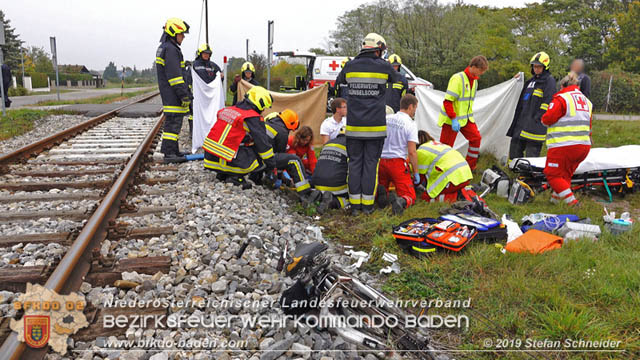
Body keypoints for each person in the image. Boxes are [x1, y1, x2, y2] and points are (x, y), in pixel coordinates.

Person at [334, 32, 400, 215]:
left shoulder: (350, 66)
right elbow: (398, 80)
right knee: (371, 165)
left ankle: (355, 207)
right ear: (378, 49)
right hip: (375, 129)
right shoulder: (384, 66)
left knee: (354, 164)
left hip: (354, 127)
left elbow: (338, 84)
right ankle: (368, 207)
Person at [203, 86, 275, 189]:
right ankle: (236, 177)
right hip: (230, 159)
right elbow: (263, 145)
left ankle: (223, 173)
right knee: (256, 150)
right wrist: (271, 166)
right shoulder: (253, 118)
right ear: (259, 104)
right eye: (263, 108)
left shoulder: (230, 109)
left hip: (210, 157)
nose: (263, 110)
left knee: (239, 141)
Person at [541, 71, 592, 206]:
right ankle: (554, 203)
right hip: (583, 146)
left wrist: (543, 118)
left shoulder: (562, 98)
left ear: (562, 85)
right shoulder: (587, 101)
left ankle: (573, 204)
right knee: (564, 176)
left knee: (552, 174)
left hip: (563, 145)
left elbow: (548, 118)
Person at [438, 55, 489, 170]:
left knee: (476, 139)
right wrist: (453, 119)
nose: (481, 74)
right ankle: (441, 170)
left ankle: (469, 168)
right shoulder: (458, 79)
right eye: (480, 71)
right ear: (474, 67)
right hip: (452, 120)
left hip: (466, 119)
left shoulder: (475, 82)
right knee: (445, 148)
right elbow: (448, 102)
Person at [506, 51, 556, 159]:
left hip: (535, 126)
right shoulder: (530, 82)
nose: (536, 69)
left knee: (531, 158)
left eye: (539, 67)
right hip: (521, 124)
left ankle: (528, 176)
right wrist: (516, 81)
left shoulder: (549, 81)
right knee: (514, 152)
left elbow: (548, 102)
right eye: (534, 66)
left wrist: (538, 117)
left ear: (545, 67)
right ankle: (516, 174)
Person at [263, 110, 320, 203]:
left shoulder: (272, 124)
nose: (305, 142)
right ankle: (305, 193)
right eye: (304, 140)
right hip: (285, 166)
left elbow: (312, 160)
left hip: (267, 159)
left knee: (303, 162)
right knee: (294, 159)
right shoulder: (287, 138)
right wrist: (286, 177)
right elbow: (283, 159)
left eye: (307, 141)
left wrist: (316, 176)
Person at [376, 94, 419, 215]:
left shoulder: (387, 118)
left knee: (383, 184)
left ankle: (382, 195)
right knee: (409, 195)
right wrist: (416, 172)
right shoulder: (410, 124)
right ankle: (401, 201)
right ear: (410, 107)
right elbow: (412, 152)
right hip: (397, 163)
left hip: (382, 161)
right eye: (415, 108)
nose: (414, 112)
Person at [156, 18, 192, 163]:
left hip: (169, 93)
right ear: (173, 33)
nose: (183, 37)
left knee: (173, 124)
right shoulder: (171, 49)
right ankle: (170, 154)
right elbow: (175, 77)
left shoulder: (166, 47)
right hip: (173, 95)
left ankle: (173, 151)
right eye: (181, 34)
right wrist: (184, 95)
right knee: (173, 124)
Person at [417, 132, 473, 203]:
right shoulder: (436, 144)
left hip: (453, 180)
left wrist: (412, 186)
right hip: (466, 174)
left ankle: (457, 196)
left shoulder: (421, 151)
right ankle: (465, 190)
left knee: (425, 197)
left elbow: (419, 177)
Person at [314, 128, 349, 214]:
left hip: (317, 183)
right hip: (335, 186)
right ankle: (333, 202)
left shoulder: (328, 143)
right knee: (352, 199)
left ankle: (318, 196)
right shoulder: (351, 145)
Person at [191, 43, 222, 139]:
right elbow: (190, 79)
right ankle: (194, 134)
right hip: (198, 96)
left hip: (210, 97)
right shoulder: (194, 65)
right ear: (200, 54)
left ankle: (210, 134)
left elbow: (219, 79)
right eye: (204, 53)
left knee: (211, 115)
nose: (206, 55)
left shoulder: (213, 66)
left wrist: (221, 77)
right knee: (196, 115)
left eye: (208, 54)